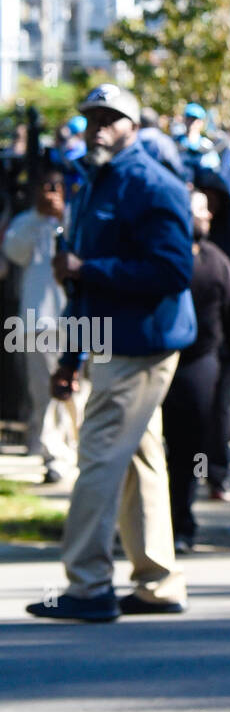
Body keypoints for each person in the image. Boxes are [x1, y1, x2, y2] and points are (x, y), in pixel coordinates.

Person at [25, 83, 196, 622]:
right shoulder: (95, 181)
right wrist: (71, 360)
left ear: (133, 125)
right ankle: (157, 583)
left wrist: (87, 269)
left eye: (111, 117)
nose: (99, 125)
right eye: (92, 116)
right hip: (114, 341)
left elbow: (174, 270)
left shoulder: (150, 183)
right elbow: (82, 287)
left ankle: (89, 585)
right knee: (140, 458)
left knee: (98, 457)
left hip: (141, 345)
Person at [162, 191, 230, 552]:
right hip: (154, 361)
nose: (202, 218)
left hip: (199, 365)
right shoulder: (159, 257)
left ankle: (180, 526)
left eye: (204, 211)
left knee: (186, 450)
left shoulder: (217, 262)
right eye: (194, 211)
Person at [1, 166, 85, 483]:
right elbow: (14, 253)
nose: (50, 191)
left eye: (56, 185)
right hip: (38, 321)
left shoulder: (78, 217)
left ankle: (79, 452)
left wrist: (62, 216)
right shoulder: (25, 223)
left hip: (84, 319)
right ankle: (56, 458)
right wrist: (39, 217)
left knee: (82, 392)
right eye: (44, 185)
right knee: (45, 393)